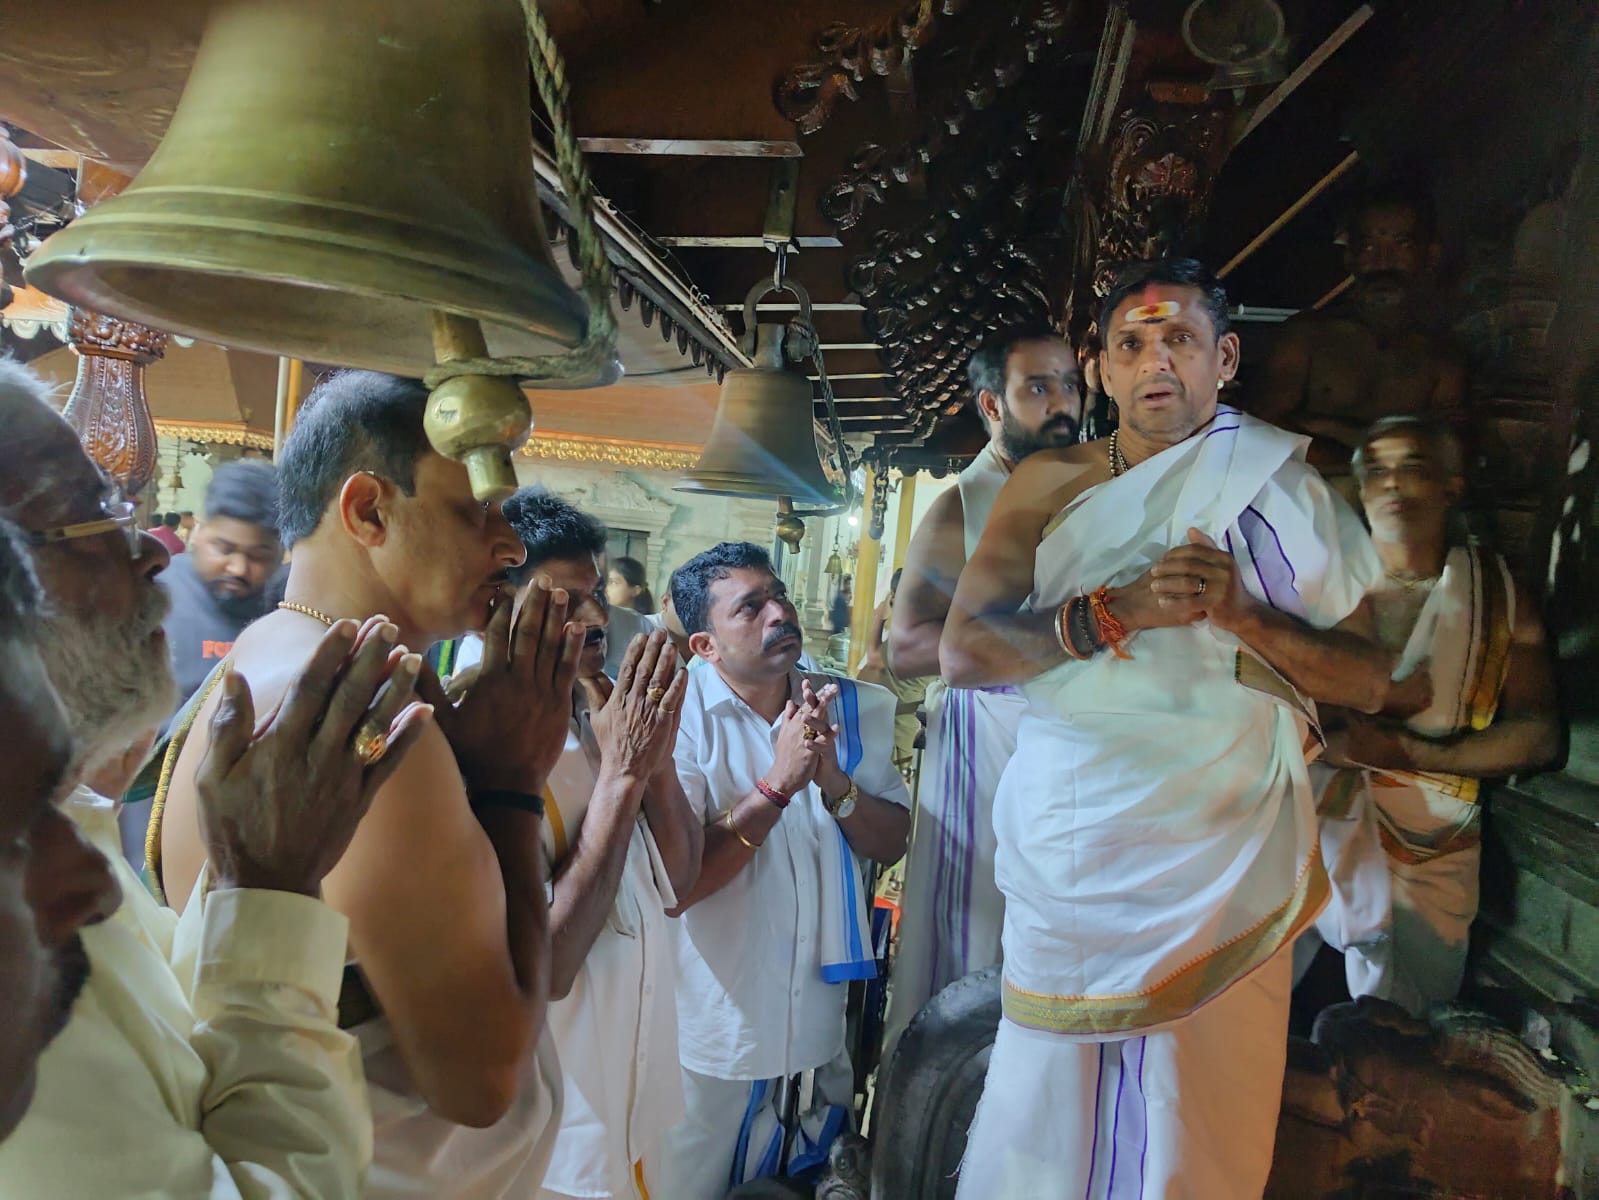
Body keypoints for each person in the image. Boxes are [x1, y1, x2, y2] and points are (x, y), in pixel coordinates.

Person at [940, 258, 1403, 1199]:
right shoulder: (1047, 484)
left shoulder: (1285, 487)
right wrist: (1115, 611)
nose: (1156, 361)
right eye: (1132, 343)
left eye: (1180, 339)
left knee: (1200, 1108)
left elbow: (1367, 679)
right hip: (1080, 835)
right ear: (1101, 369)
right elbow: (964, 652)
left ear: (1223, 358)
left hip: (1224, 841)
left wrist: (1244, 616)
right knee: (1051, 1101)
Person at [0, 359, 432, 1194]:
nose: (148, 554)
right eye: (93, 515)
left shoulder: (65, 827)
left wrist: (255, 874)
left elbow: (189, 1028)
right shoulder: (24, 964)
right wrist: (270, 888)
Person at [155, 370, 583, 1199]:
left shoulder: (262, 654)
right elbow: (482, 1085)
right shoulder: (364, 723)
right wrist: (511, 785)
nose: (510, 547)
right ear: (367, 511)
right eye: (476, 512)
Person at [656, 543, 911, 1198]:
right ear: (705, 646)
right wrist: (777, 785)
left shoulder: (849, 708)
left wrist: (834, 784)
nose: (779, 614)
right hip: (718, 1028)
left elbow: (891, 841)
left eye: (780, 598)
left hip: (819, 1026)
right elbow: (676, 885)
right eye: (751, 607)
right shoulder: (675, 722)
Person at [1297, 416, 1560, 1016]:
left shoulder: (1496, 595)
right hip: (1313, 827)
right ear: (1360, 490)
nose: (1392, 484)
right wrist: (1335, 746)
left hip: (1436, 839)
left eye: (1411, 467)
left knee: (1405, 1026)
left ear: (1450, 486)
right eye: (1376, 471)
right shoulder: (1319, 591)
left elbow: (1539, 736)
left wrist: (1411, 754)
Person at [488, 488, 699, 1200]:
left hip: (633, 1096)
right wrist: (624, 773)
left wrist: (651, 757)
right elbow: (548, 964)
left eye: (597, 593)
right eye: (568, 599)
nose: (598, 617)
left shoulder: (598, 711)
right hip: (554, 1123)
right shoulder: (480, 745)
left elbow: (678, 883)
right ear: (500, 604)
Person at [880, 326, 1083, 1061]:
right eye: (1039, 388)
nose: (1062, 404)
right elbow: (905, 647)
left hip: (1066, 750)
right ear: (992, 405)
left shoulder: (1085, 484)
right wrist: (1042, 638)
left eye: (1070, 385)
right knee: (972, 937)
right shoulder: (962, 507)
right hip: (984, 753)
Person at [1252, 188, 1467, 503]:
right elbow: (1264, 430)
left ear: (1430, 254)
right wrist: (1375, 456)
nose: (1383, 261)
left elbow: (1444, 454)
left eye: (1402, 244)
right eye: (1368, 246)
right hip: (1302, 506)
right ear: (1350, 256)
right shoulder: (1307, 336)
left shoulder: (1441, 358)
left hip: (1394, 513)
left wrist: (1327, 428)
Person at [158, 459, 284, 709]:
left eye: (258, 556)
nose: (238, 568)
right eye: (224, 549)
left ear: (281, 553)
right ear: (199, 531)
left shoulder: (289, 606)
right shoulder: (155, 594)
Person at [855, 567, 933, 775]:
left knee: (887, 785)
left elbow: (875, 659)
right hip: (880, 728)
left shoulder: (919, 635)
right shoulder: (908, 634)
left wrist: (879, 618)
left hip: (891, 728)